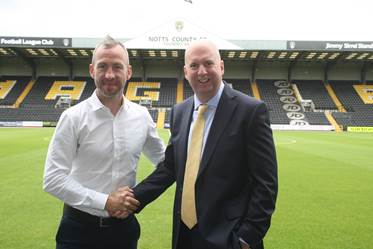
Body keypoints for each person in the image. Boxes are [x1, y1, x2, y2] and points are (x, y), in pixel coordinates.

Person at [127, 39, 278, 249]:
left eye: (208, 63)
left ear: (222, 67)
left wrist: (247, 237)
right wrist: (131, 199)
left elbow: (266, 183)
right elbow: (170, 168)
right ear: (186, 71)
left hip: (230, 238)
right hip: (185, 236)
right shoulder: (180, 112)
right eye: (194, 65)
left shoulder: (250, 111)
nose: (202, 72)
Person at [43, 35, 165, 249]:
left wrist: (137, 197)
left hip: (123, 231)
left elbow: (166, 163)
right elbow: (53, 178)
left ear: (128, 71)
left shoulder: (142, 116)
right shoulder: (73, 117)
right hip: (78, 232)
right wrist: (106, 202)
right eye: (103, 66)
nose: (110, 74)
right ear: (92, 70)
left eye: (117, 67)